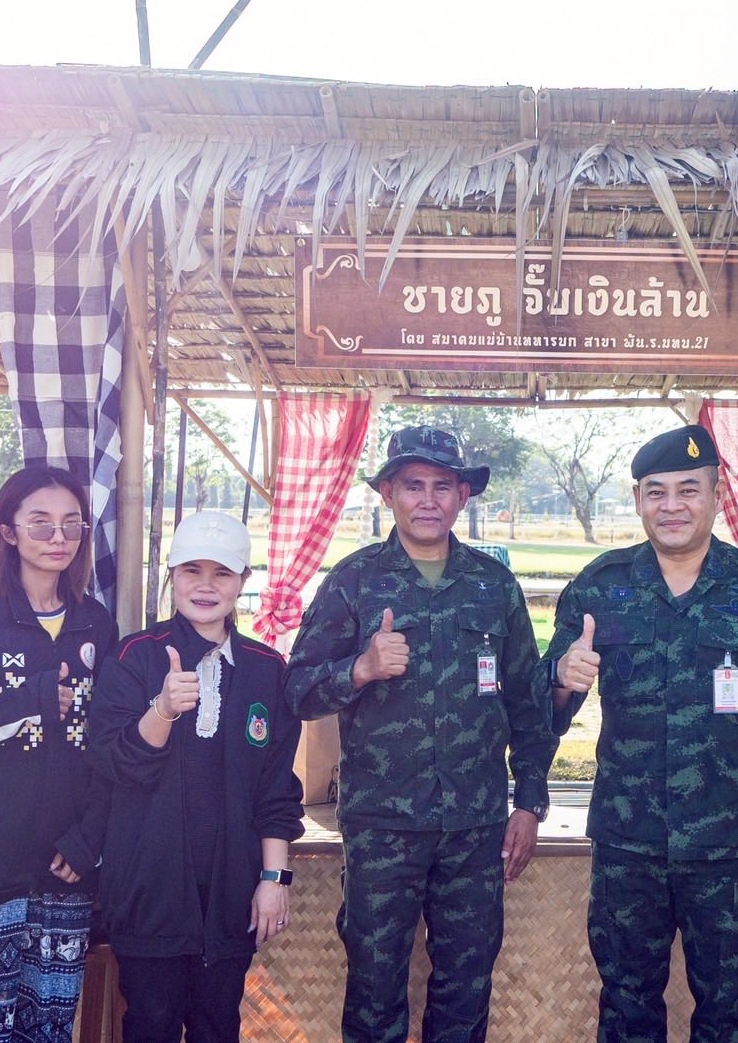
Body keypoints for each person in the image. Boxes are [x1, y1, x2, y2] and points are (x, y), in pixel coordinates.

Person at [542, 424, 738, 1043]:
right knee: (626, 1006)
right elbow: (546, 705)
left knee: (726, 1012)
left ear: (717, 495)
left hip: (728, 845)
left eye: (688, 490)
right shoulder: (601, 585)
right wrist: (560, 677)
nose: (672, 506)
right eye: (656, 492)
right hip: (628, 840)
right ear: (638, 500)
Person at [284, 425, 555, 1043]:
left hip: (474, 827)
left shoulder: (494, 585)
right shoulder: (352, 581)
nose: (427, 500)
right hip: (382, 826)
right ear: (388, 493)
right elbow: (297, 690)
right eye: (413, 485)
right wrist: (360, 668)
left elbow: (526, 702)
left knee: (466, 988)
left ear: (463, 496)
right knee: (375, 988)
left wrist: (530, 802)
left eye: (442, 486)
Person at [88, 512, 305, 1043]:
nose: (206, 586)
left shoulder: (266, 668)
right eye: (191, 570)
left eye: (222, 573)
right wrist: (162, 709)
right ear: (171, 575)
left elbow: (276, 791)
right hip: (149, 888)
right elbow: (114, 764)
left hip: (231, 893)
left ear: (243, 581)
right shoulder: (134, 656)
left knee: (218, 1025)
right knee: (150, 1024)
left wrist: (274, 880)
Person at [0, 466, 117, 1043]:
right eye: (41, 523)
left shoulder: (95, 623)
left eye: (71, 524)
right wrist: (30, 701)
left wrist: (88, 840)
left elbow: (108, 747)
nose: (58, 537)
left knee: (50, 1029)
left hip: (64, 865)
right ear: (8, 532)